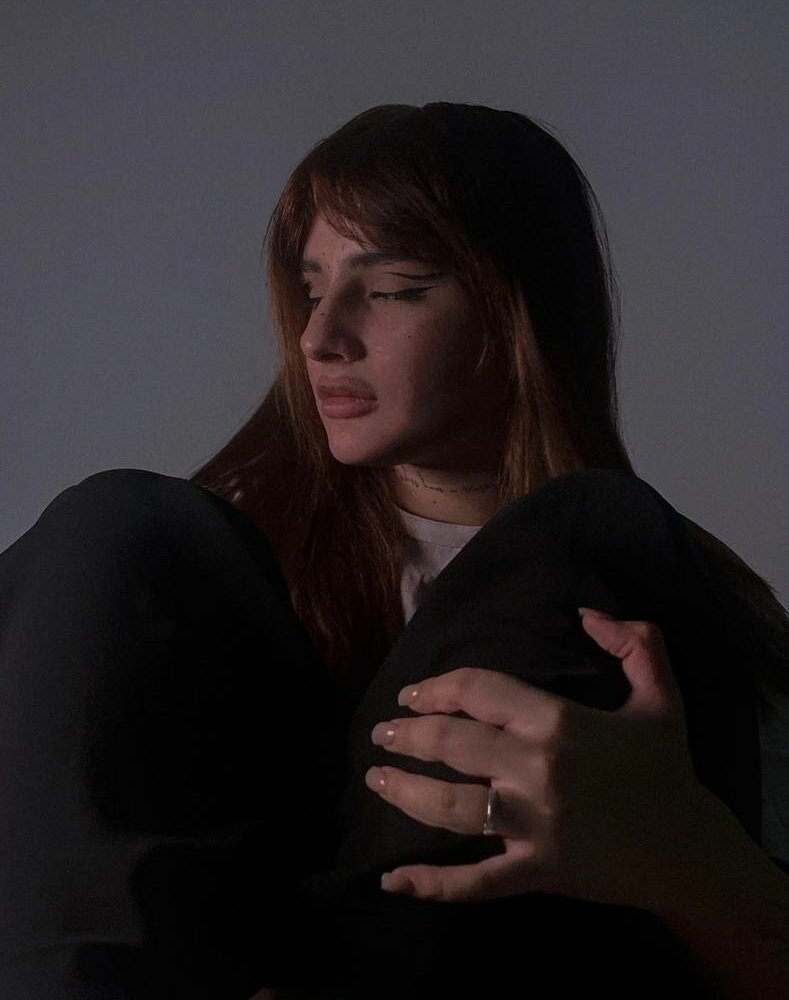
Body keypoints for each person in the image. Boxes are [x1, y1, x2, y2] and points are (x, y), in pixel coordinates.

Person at [1, 102, 787, 999]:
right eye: (311, 289)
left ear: (515, 310)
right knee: (119, 524)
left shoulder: (667, 590)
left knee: (590, 530)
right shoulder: (193, 577)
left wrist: (682, 853)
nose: (319, 337)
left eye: (391, 289)